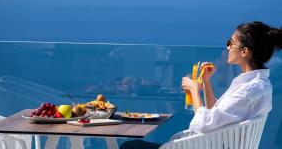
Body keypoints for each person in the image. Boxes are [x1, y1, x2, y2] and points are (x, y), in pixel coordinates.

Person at [120, 21, 282, 149]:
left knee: (130, 146)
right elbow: (217, 114)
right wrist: (205, 81)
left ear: (244, 51)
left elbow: (203, 123)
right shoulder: (257, 85)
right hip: (214, 144)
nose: (227, 47)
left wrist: (194, 90)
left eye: (230, 43)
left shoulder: (250, 88)